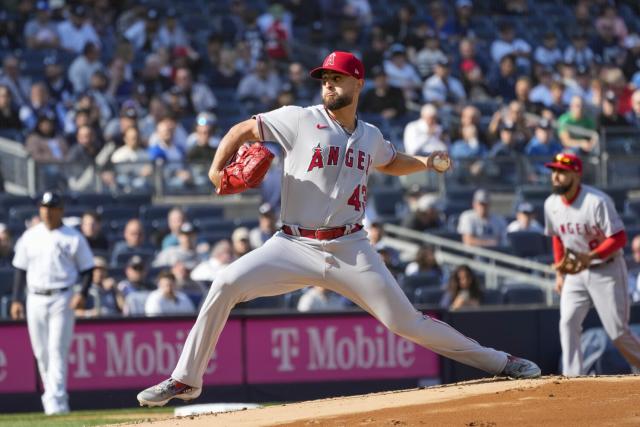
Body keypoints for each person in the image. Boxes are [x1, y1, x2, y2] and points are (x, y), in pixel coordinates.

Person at [137, 51, 540, 407]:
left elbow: (390, 160)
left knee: (407, 323)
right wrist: (215, 166)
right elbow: (241, 130)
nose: (328, 84)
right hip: (292, 244)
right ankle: (186, 379)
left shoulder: (370, 135)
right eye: (325, 79)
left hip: (351, 246)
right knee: (225, 283)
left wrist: (424, 162)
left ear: (357, 82)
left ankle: (501, 362)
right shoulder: (298, 118)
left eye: (336, 78)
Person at [543, 153, 640, 376]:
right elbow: (557, 236)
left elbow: (619, 238)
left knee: (617, 332)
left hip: (606, 270)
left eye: (562, 172)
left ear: (576, 174)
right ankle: (572, 377)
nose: (556, 176)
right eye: (554, 171)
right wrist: (561, 272)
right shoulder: (551, 204)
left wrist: (592, 255)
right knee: (567, 323)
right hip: (576, 274)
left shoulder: (596, 201)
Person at [10, 192, 95, 415]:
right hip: (35, 297)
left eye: (52, 207)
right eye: (43, 206)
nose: (47, 211)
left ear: (61, 210)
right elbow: (20, 269)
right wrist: (16, 299)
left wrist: (82, 293)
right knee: (41, 351)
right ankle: (54, 396)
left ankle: (55, 401)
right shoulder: (30, 236)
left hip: (62, 297)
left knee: (57, 349)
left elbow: (87, 269)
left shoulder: (72, 237)